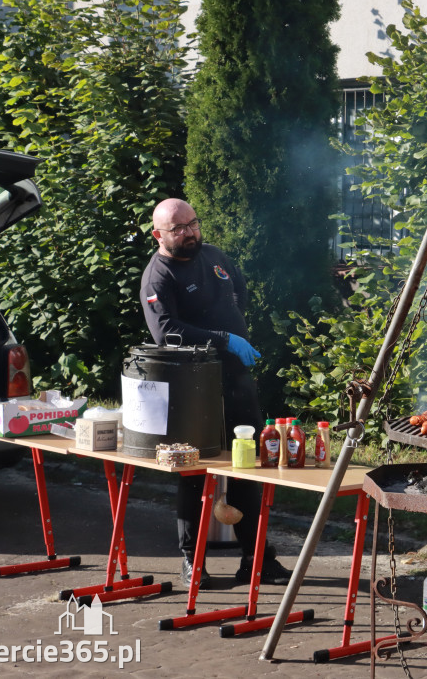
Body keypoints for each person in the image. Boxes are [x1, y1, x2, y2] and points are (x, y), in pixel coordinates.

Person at [139, 197, 293, 589]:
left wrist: (234, 339)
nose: (189, 232)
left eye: (192, 224)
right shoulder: (158, 276)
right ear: (159, 234)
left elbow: (237, 293)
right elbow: (165, 331)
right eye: (178, 229)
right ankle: (193, 562)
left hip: (237, 380)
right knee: (193, 472)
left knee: (248, 468)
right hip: (194, 389)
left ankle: (257, 561)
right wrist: (223, 339)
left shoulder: (214, 256)